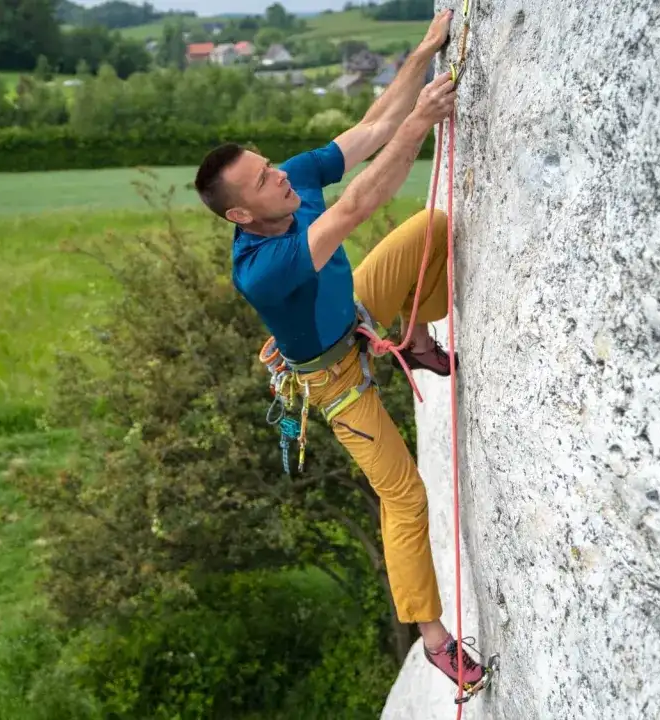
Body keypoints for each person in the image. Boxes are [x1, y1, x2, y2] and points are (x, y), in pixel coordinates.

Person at [191, 9, 485, 691]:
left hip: (356, 310)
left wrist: (423, 52)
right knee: (403, 494)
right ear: (240, 215)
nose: (282, 179)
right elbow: (352, 208)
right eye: (265, 181)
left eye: (269, 166)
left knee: (433, 228)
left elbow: (374, 126)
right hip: (334, 379)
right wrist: (424, 124)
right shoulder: (261, 267)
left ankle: (408, 339)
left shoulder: (289, 182)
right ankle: (434, 637)